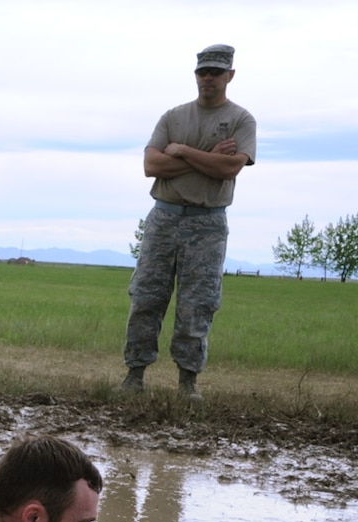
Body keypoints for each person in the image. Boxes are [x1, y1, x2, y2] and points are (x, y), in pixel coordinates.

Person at [118, 45, 256, 401]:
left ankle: (188, 383)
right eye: (202, 72)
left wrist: (182, 151)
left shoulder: (241, 120)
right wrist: (207, 157)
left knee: (198, 303)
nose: (207, 78)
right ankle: (134, 375)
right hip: (164, 216)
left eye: (215, 72)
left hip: (208, 222)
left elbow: (229, 168)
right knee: (146, 296)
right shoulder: (173, 117)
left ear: (230, 75)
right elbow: (152, 166)